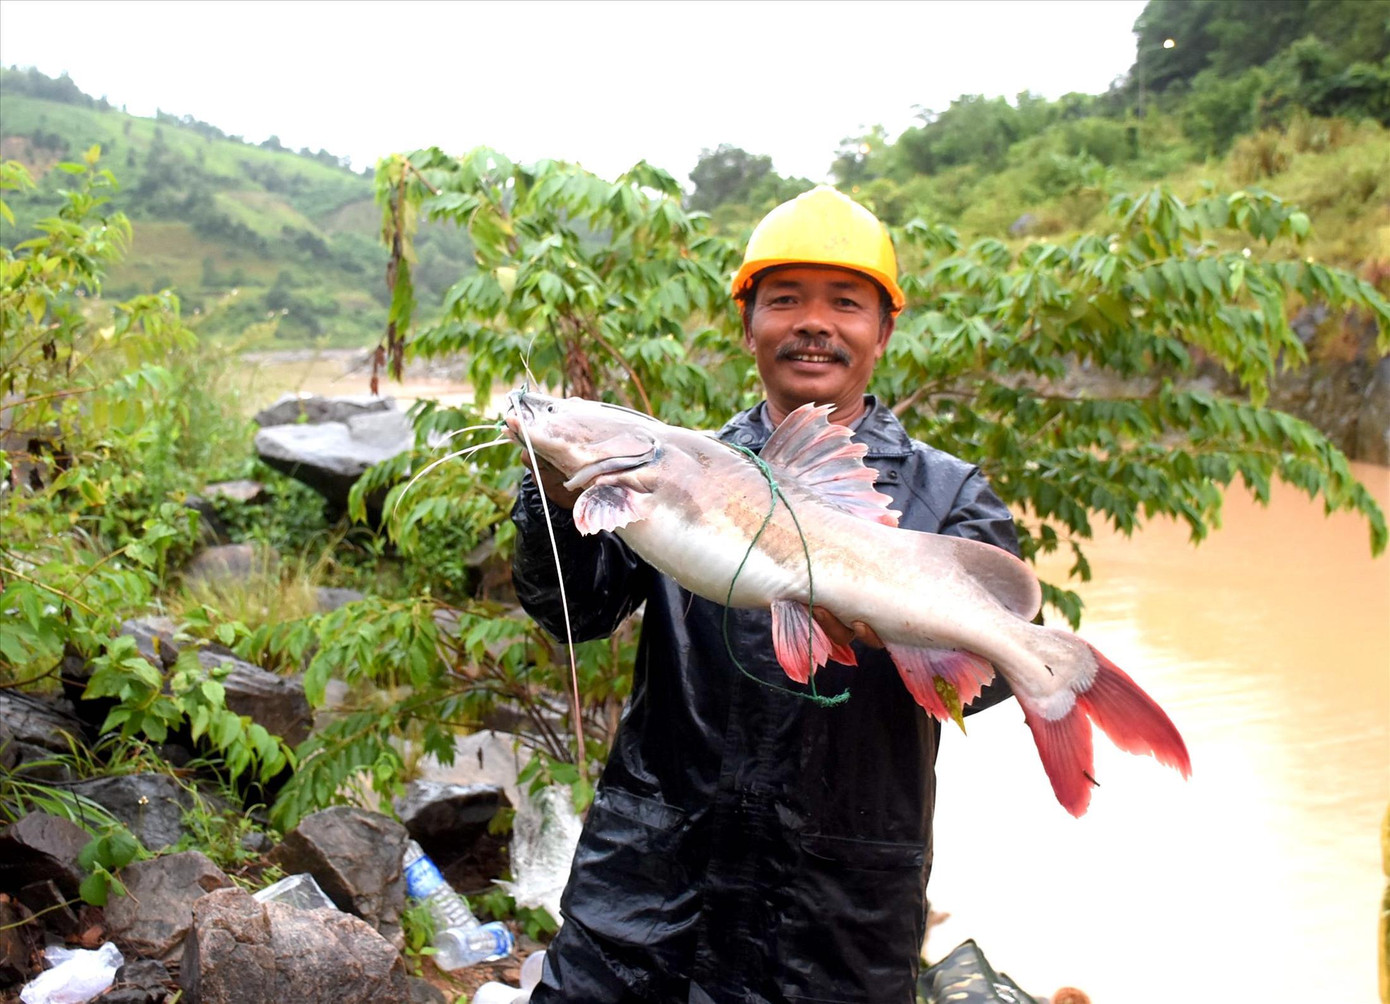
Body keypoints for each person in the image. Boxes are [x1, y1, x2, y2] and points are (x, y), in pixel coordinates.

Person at [510, 186, 1020, 1003]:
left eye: (845, 302)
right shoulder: (671, 464)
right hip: (648, 882)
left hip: (837, 910)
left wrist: (900, 630)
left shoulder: (948, 497)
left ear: (884, 330)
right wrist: (550, 493)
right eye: (784, 300)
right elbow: (575, 613)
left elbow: (992, 683)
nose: (814, 323)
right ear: (748, 326)